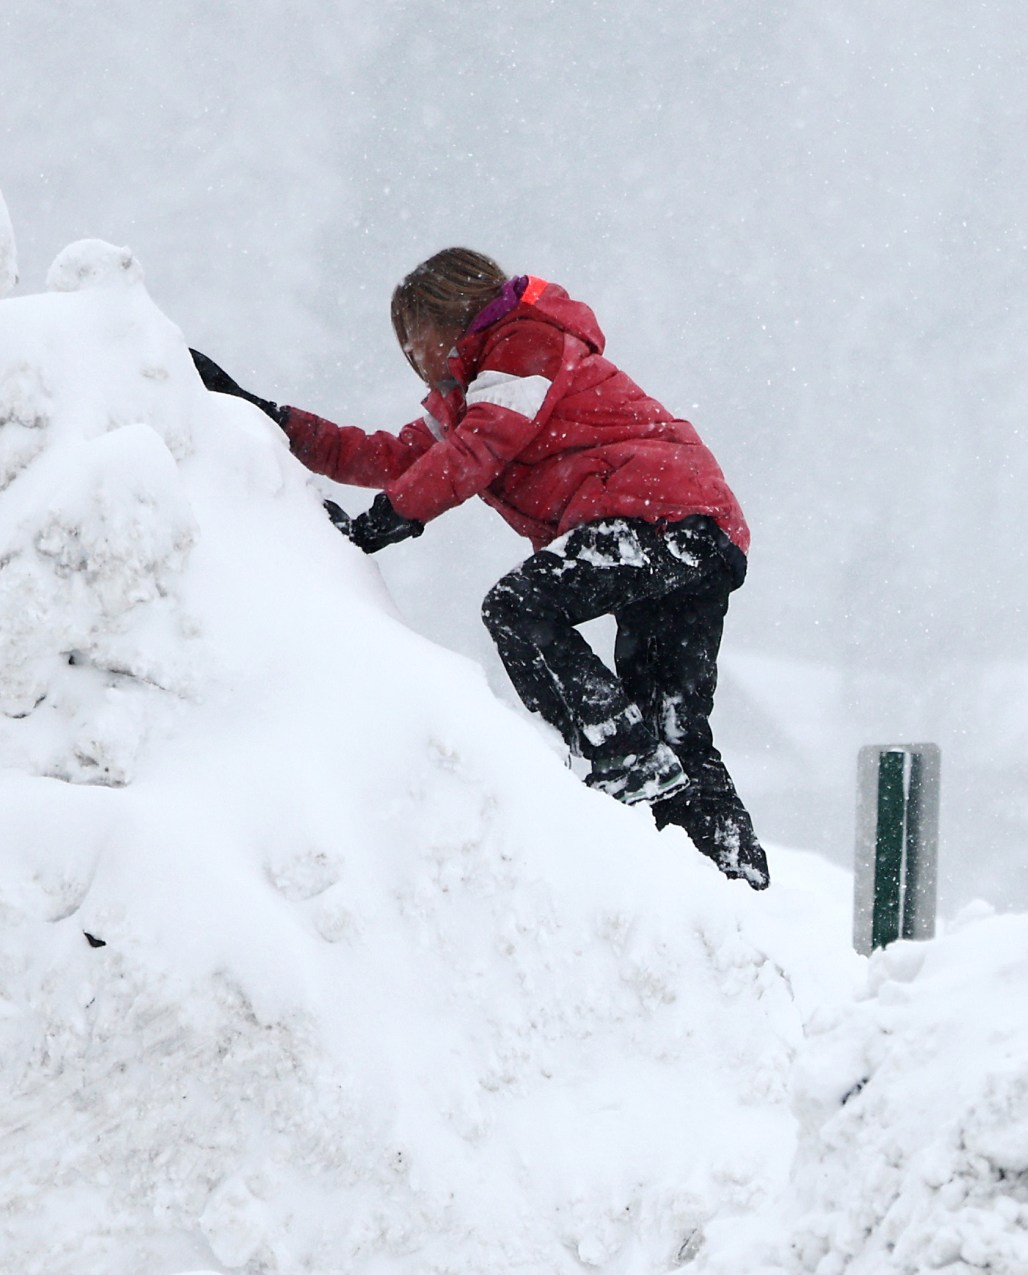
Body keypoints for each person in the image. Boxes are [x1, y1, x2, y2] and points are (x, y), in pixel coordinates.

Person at [190, 248, 769, 887]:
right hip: (699, 532)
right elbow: (383, 456)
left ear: (456, 318)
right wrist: (263, 414)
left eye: (415, 340)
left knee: (520, 607)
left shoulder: (527, 344)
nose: (411, 359)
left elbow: (480, 448)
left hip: (661, 515)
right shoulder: (483, 392)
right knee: (672, 723)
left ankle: (614, 755)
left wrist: (381, 525)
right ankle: (737, 885)